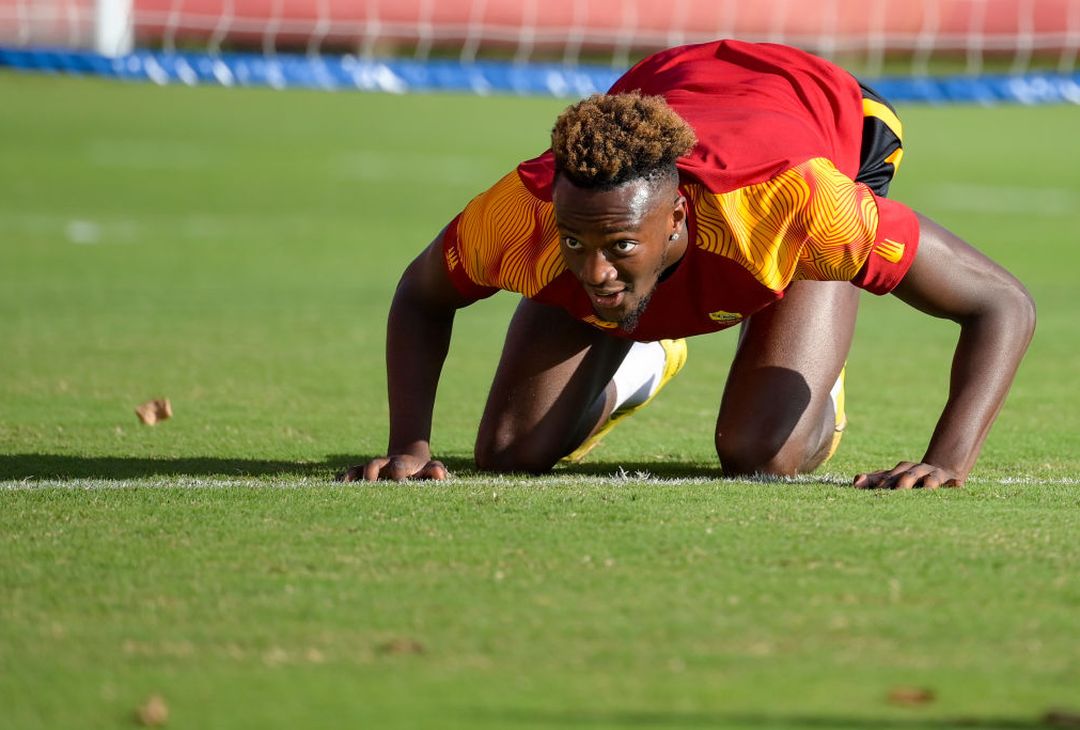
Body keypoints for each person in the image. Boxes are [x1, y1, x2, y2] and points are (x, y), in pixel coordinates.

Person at [339, 39, 1035, 488]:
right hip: (672, 80)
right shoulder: (524, 209)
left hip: (829, 114)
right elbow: (421, 294)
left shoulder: (803, 208)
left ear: (676, 218)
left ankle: (815, 355)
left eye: (619, 247)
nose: (595, 271)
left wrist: (947, 461)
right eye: (574, 241)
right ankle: (644, 360)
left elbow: (1003, 303)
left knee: (760, 453)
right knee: (509, 451)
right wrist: (409, 444)